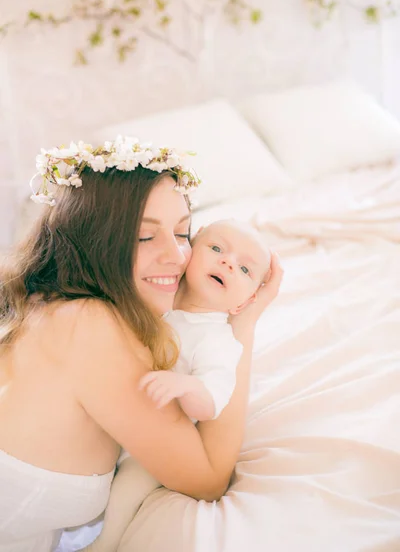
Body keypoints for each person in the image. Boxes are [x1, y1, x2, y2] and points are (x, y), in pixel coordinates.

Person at [0, 136, 283, 552]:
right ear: (93, 239)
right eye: (144, 237)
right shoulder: (90, 327)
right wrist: (243, 323)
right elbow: (207, 478)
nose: (177, 256)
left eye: (184, 232)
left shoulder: (44, 297)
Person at [80, 219, 272, 552]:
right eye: (216, 248)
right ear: (187, 254)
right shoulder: (158, 301)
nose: (227, 262)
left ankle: (104, 543)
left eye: (244, 269)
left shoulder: (218, 340)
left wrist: (186, 386)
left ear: (242, 304)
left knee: (130, 486)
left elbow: (212, 400)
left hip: (159, 441)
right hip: (119, 418)